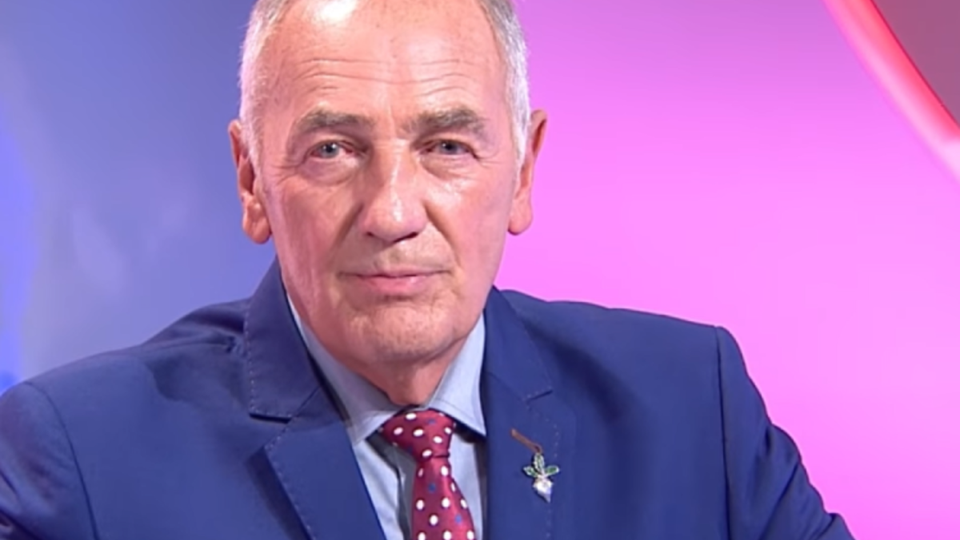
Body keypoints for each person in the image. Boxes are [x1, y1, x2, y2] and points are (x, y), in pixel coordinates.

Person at [0, 0, 856, 538]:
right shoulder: (81, 461)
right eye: (333, 150)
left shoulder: (692, 406)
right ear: (252, 180)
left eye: (446, 147)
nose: (393, 212)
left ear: (523, 172)